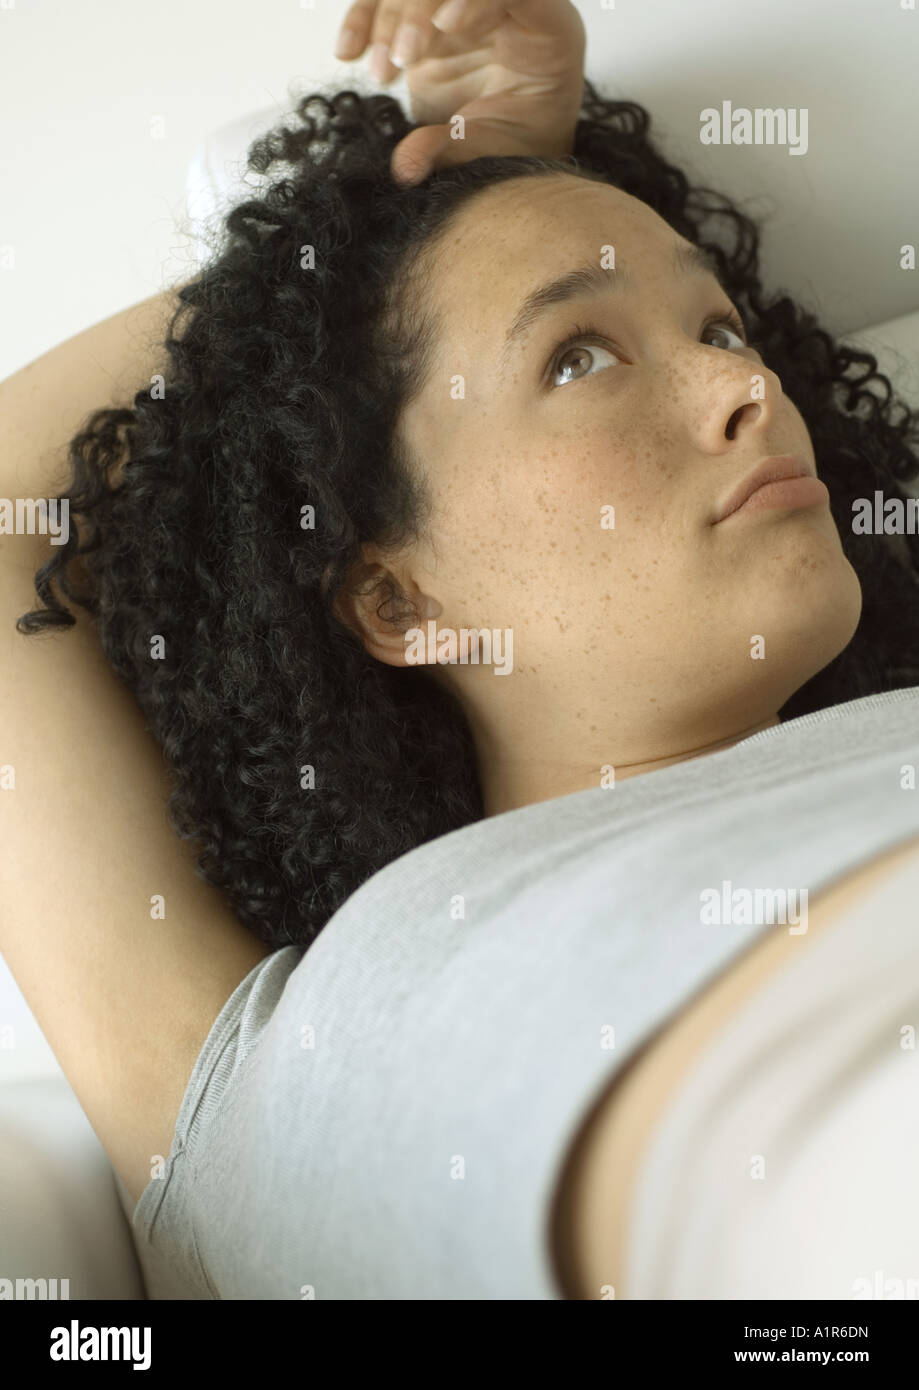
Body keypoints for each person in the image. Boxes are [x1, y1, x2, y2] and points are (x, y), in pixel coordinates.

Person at [2, 0, 918, 1300]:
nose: (744, 389)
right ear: (394, 599)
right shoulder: (254, 1065)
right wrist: (360, 212)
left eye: (721, 330)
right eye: (578, 355)